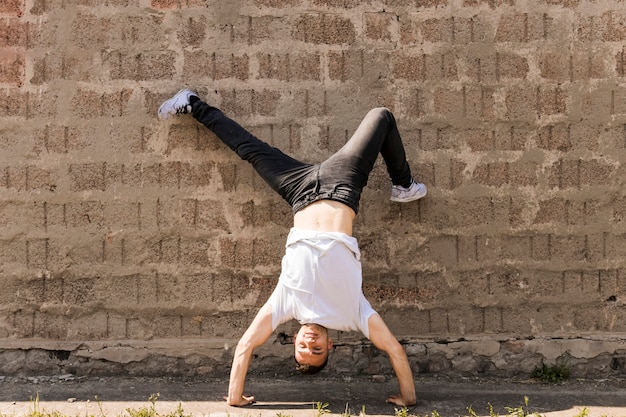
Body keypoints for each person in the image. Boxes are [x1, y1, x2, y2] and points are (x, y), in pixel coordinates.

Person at [158, 88, 426, 407]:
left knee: (249, 148)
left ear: (294, 341)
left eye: (303, 348)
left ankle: (192, 104)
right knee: (381, 116)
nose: (310, 344)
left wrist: (234, 398)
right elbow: (394, 349)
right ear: (331, 347)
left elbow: (246, 345)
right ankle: (404, 185)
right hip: (342, 185)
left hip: (299, 190)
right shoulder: (354, 313)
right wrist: (408, 399)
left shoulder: (286, 304)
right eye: (316, 351)